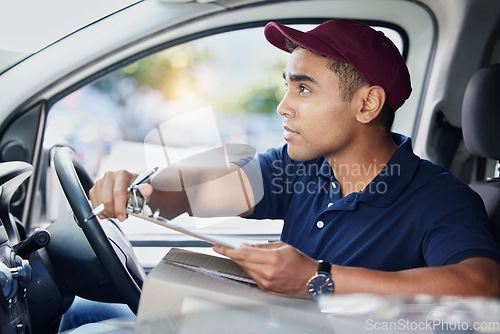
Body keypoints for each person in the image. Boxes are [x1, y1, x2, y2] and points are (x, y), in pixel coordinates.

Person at [76, 19, 500, 328]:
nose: (283, 106)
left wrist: (319, 279)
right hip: (263, 321)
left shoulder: (439, 198)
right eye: (287, 86)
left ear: (367, 105)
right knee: (86, 311)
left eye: (303, 88)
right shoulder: (299, 168)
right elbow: (197, 193)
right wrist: (142, 189)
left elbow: (483, 286)